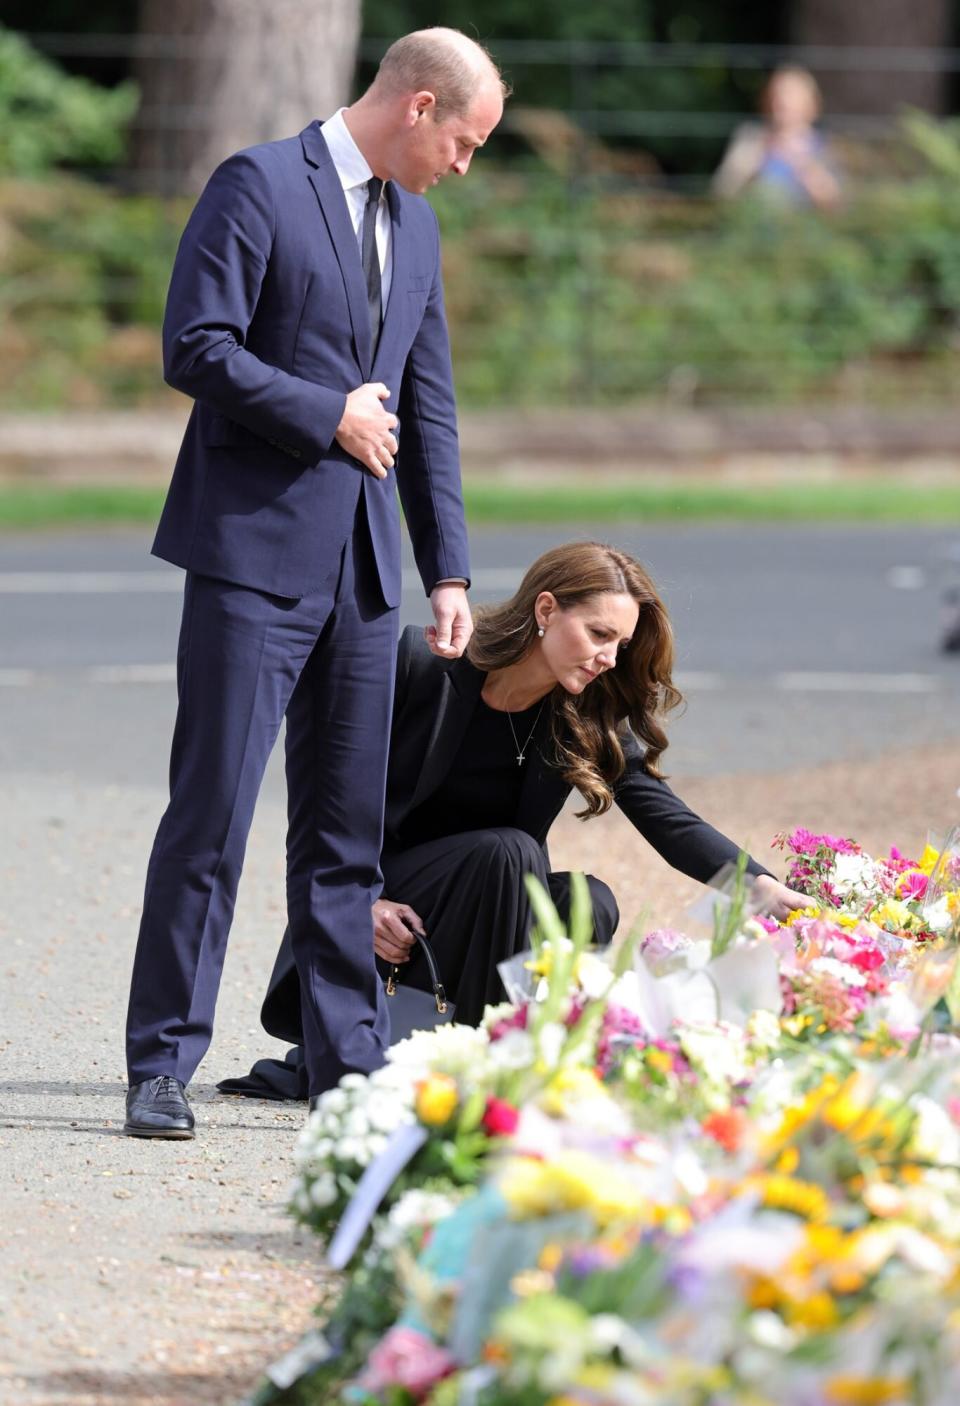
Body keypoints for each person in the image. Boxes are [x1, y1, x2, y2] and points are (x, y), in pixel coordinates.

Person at [123, 29, 508, 1139]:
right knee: (213, 814)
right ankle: (161, 1061)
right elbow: (193, 344)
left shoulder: (418, 224)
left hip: (367, 575)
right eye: (468, 143)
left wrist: (447, 569)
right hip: (249, 555)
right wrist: (323, 409)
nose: (464, 168)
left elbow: (426, 407)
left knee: (347, 833)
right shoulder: (257, 183)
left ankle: (344, 1058)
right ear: (422, 105)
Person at [221, 543, 807, 1103]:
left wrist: (759, 888)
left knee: (588, 899)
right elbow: (330, 799)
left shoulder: (586, 712)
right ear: (546, 609)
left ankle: (529, 1055)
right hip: (384, 910)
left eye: (620, 645)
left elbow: (664, 816)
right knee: (510, 851)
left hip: (484, 910)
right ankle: (493, 1063)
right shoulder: (423, 665)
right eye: (599, 634)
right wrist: (361, 902)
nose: (608, 656)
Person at [712, 67, 841, 210]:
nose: (781, 101)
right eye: (777, 94)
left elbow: (838, 207)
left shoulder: (824, 146)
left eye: (790, 94)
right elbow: (722, 192)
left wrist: (803, 166)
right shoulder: (751, 138)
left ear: (809, 101)